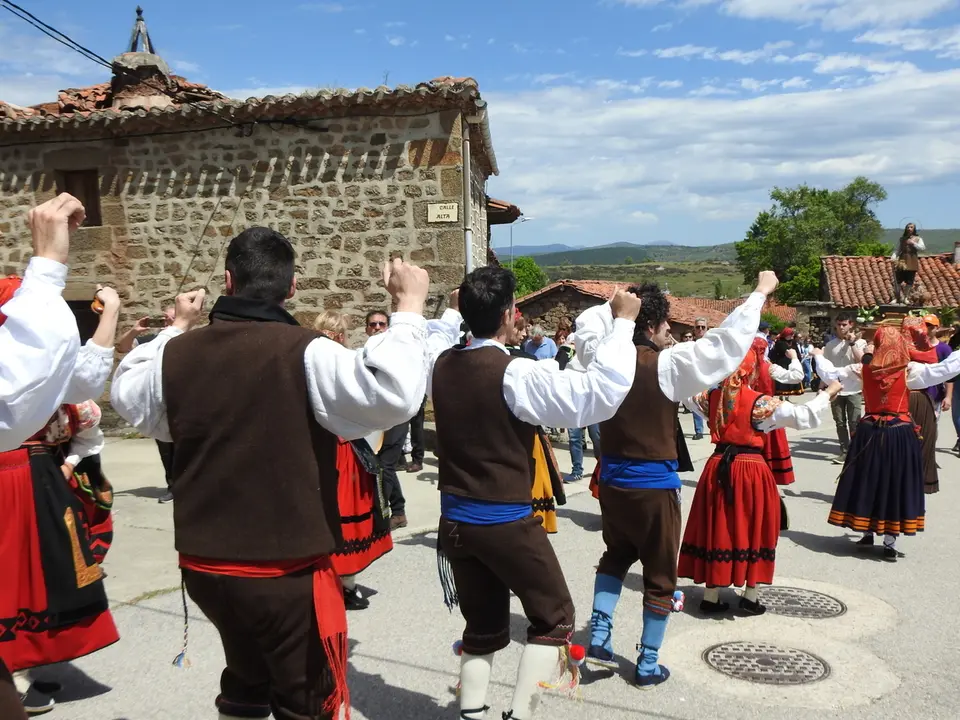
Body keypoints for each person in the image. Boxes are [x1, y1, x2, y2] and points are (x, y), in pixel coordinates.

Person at [110, 227, 457, 720]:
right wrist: (407, 309)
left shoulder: (175, 354)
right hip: (281, 571)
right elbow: (393, 397)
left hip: (205, 567)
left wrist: (174, 327)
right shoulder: (308, 351)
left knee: (247, 677)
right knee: (307, 699)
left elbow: (131, 398)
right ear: (292, 287)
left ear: (228, 280)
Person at [432, 267, 640, 720]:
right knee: (555, 617)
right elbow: (597, 397)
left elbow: (433, 338)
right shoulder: (514, 372)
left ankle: (472, 715)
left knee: (483, 625)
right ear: (510, 314)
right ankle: (519, 716)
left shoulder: (442, 362)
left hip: (454, 523)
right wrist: (623, 324)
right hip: (501, 520)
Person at [577, 272, 779, 686]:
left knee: (615, 555)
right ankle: (648, 663)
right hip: (652, 486)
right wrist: (759, 293)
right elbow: (724, 344)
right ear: (651, 326)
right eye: (666, 325)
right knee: (659, 573)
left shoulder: (600, 356)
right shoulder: (666, 364)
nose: (670, 333)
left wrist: (619, 307)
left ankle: (600, 631)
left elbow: (586, 332)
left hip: (612, 482)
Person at [0, 194, 100, 720]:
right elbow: (14, 392)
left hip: (34, 474)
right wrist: (47, 270)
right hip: (16, 474)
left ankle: (36, 665)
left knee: (42, 571)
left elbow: (74, 381)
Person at [678, 343, 840, 614]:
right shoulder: (759, 401)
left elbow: (686, 396)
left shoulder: (711, 397)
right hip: (750, 469)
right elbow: (804, 415)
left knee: (718, 522)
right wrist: (828, 393)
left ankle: (711, 594)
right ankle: (750, 595)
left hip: (717, 465)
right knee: (753, 524)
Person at [814, 322, 960, 561]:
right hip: (899, 433)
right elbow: (945, 369)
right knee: (894, 481)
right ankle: (890, 541)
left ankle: (868, 531)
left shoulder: (863, 370)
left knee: (870, 478)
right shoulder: (909, 370)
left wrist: (819, 357)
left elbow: (831, 375)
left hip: (869, 432)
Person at [313, 311, 395, 611]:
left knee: (324, 513)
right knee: (347, 512)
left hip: (318, 447)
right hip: (342, 447)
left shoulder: (305, 363)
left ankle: (330, 580)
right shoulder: (344, 363)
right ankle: (345, 584)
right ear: (339, 336)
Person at [504, 309, 566, 532]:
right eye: (520, 329)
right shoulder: (523, 359)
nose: (524, 335)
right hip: (525, 432)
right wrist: (566, 353)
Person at [116, 306, 177, 503]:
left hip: (183, 400)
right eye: (165, 318)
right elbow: (121, 347)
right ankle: (173, 486)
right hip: (159, 402)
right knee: (166, 448)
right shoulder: (151, 341)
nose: (166, 320)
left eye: (171, 317)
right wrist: (134, 331)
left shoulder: (189, 339)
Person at [364, 309, 411, 530]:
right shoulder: (363, 355)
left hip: (395, 418)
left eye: (382, 324)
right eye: (373, 325)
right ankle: (392, 510)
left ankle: (396, 512)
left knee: (386, 466)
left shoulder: (396, 354)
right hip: (373, 420)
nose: (377, 328)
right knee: (377, 466)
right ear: (366, 329)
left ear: (388, 328)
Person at [902, 316, 942, 495]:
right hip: (917, 400)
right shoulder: (927, 353)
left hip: (904, 399)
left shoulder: (896, 349)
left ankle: (905, 481)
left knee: (913, 441)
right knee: (921, 440)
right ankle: (919, 482)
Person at [822, 313, 867, 464]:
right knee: (840, 422)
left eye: (844, 324)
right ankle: (844, 451)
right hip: (836, 388)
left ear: (851, 325)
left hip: (854, 388)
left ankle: (856, 449)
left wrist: (852, 343)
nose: (841, 328)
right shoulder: (829, 345)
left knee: (855, 421)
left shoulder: (860, 343)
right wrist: (822, 387)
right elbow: (826, 367)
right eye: (839, 324)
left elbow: (862, 361)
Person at [891, 223, 925, 303]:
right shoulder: (902, 239)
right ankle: (897, 297)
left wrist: (913, 243)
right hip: (902, 260)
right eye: (908, 227)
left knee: (910, 281)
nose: (909, 228)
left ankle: (906, 297)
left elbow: (922, 248)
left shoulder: (918, 238)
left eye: (911, 227)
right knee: (898, 279)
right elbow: (897, 249)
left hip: (912, 260)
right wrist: (893, 256)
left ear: (914, 229)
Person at [691, 318, 709, 439]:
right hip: (696, 378)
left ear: (707, 329)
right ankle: (699, 431)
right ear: (694, 329)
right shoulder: (690, 345)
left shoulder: (712, 344)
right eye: (698, 327)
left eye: (703, 327)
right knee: (696, 404)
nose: (700, 329)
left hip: (710, 378)